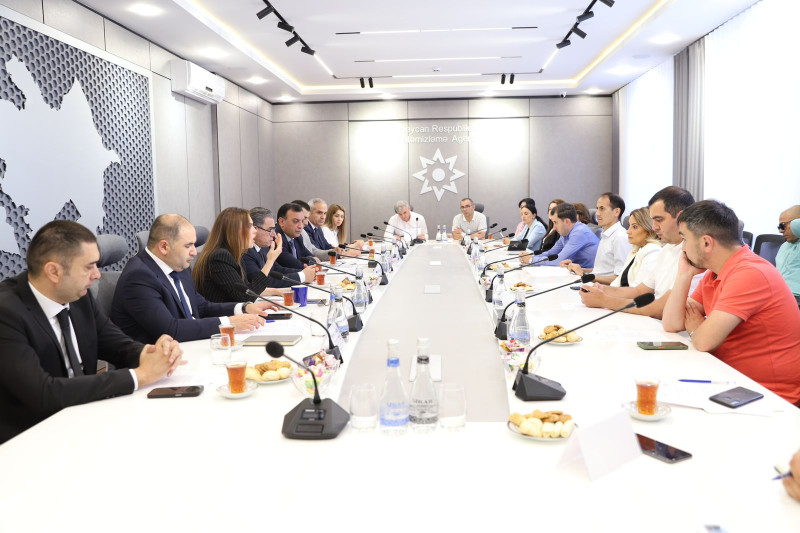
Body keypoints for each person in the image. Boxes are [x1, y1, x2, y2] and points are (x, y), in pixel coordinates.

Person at [0, 220, 184, 444]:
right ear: (54, 271)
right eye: (89, 267)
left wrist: (152, 353)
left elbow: (115, 342)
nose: (97, 275)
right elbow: (42, 394)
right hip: (28, 439)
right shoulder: (6, 313)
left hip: (83, 420)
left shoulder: (79, 296)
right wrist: (140, 375)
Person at [662, 200, 800, 404]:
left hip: (768, 396)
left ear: (706, 243)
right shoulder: (715, 272)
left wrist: (696, 328)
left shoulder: (750, 273)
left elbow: (703, 341)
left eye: (684, 239)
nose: (682, 248)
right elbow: (672, 323)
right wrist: (684, 274)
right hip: (730, 380)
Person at [112, 214, 277, 344]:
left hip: (192, 346)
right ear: (163, 247)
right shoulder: (139, 277)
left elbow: (201, 307)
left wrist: (243, 308)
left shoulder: (179, 266)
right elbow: (171, 329)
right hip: (158, 362)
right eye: (188, 246)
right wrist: (228, 322)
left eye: (194, 245)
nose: (193, 252)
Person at [580, 186, 699, 319]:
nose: (654, 227)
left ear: (680, 217)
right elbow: (640, 291)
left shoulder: (695, 256)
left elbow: (662, 307)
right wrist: (602, 290)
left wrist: (605, 300)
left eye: (659, 220)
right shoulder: (667, 249)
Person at [192, 207, 285, 303]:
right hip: (224, 312)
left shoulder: (235, 255)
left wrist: (278, 291)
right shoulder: (220, 256)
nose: (255, 231)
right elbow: (245, 297)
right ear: (235, 231)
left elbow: (248, 288)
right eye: (250, 226)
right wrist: (270, 261)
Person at [564, 193, 632, 283]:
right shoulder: (605, 235)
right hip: (597, 286)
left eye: (602, 208)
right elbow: (601, 271)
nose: (597, 213)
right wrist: (580, 269)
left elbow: (620, 278)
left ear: (616, 212)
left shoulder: (620, 237)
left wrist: (585, 276)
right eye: (597, 208)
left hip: (605, 289)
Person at [243, 207, 316, 288]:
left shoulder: (264, 247)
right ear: (255, 229)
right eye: (270, 230)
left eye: (274, 230)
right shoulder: (245, 252)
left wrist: (304, 272)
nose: (274, 235)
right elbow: (263, 283)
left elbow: (276, 270)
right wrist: (302, 276)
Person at [608, 207, 662, 288]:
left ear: (648, 229)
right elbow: (618, 281)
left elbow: (637, 288)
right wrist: (604, 291)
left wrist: (608, 293)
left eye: (635, 227)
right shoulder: (635, 251)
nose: (628, 231)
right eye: (629, 226)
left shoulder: (653, 250)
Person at [536, 203, 599, 268]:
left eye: (556, 222)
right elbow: (551, 253)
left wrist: (531, 260)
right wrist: (532, 257)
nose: (554, 227)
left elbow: (559, 260)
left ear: (567, 221)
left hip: (589, 272)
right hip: (575, 270)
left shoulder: (579, 232)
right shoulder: (565, 233)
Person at [274, 202, 317, 270]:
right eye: (296, 221)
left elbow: (313, 257)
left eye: (302, 221)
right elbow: (296, 265)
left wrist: (310, 260)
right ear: (282, 222)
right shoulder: (276, 238)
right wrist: (309, 260)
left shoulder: (298, 237)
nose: (301, 226)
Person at [776, 205, 800, 306]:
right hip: (778, 293)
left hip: (796, 298)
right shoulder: (784, 246)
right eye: (779, 227)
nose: (780, 231)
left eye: (783, 226)